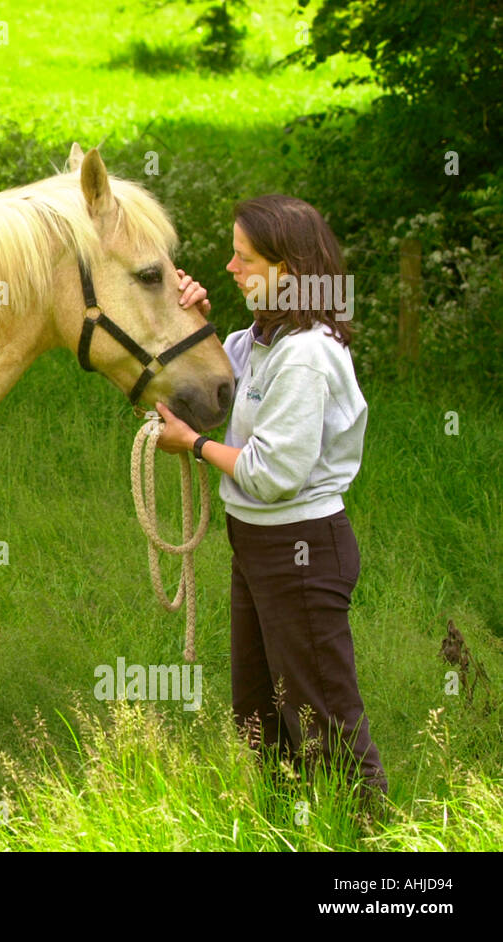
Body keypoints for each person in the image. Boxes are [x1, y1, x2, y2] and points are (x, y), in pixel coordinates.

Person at [153, 194, 388, 811]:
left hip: (301, 550)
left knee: (322, 714)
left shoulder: (305, 355)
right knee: (258, 708)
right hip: (258, 544)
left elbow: (272, 473)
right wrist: (193, 320)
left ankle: (374, 842)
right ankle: (288, 825)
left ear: (288, 271)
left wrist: (196, 445)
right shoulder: (257, 341)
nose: (230, 269)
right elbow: (212, 388)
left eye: (244, 259)